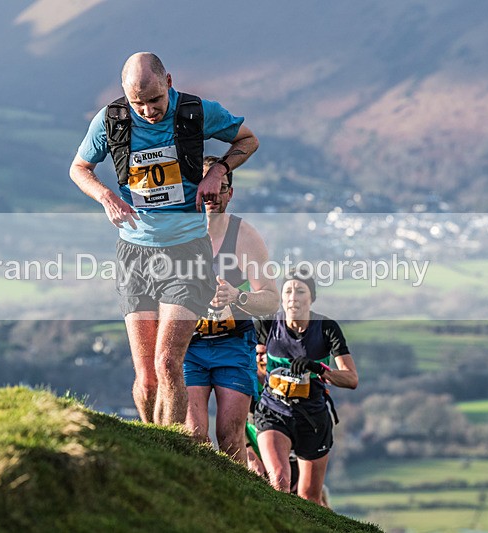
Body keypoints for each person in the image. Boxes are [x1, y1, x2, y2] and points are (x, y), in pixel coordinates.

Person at [69, 52, 259, 426]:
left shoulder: (197, 112)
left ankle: (169, 445)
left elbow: (248, 140)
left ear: (169, 82)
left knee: (168, 361)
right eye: (137, 103)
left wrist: (218, 170)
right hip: (134, 252)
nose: (147, 111)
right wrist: (107, 196)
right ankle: (151, 442)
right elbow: (79, 168)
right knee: (146, 375)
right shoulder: (112, 120)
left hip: (187, 251)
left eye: (154, 101)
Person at [184, 156, 278, 463]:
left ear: (230, 193)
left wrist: (238, 296)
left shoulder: (244, 236)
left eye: (220, 188)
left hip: (233, 342)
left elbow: (271, 300)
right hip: (188, 344)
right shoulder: (178, 235)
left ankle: (236, 506)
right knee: (194, 433)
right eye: (205, 188)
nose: (211, 196)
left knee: (229, 435)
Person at [253, 266, 358, 506]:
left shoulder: (326, 328)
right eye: (288, 291)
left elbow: (351, 379)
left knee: (309, 498)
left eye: (300, 291)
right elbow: (255, 365)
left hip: (313, 417)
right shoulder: (268, 324)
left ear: (311, 298)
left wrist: (319, 369)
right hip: (274, 411)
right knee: (279, 481)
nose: (293, 297)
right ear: (281, 297)